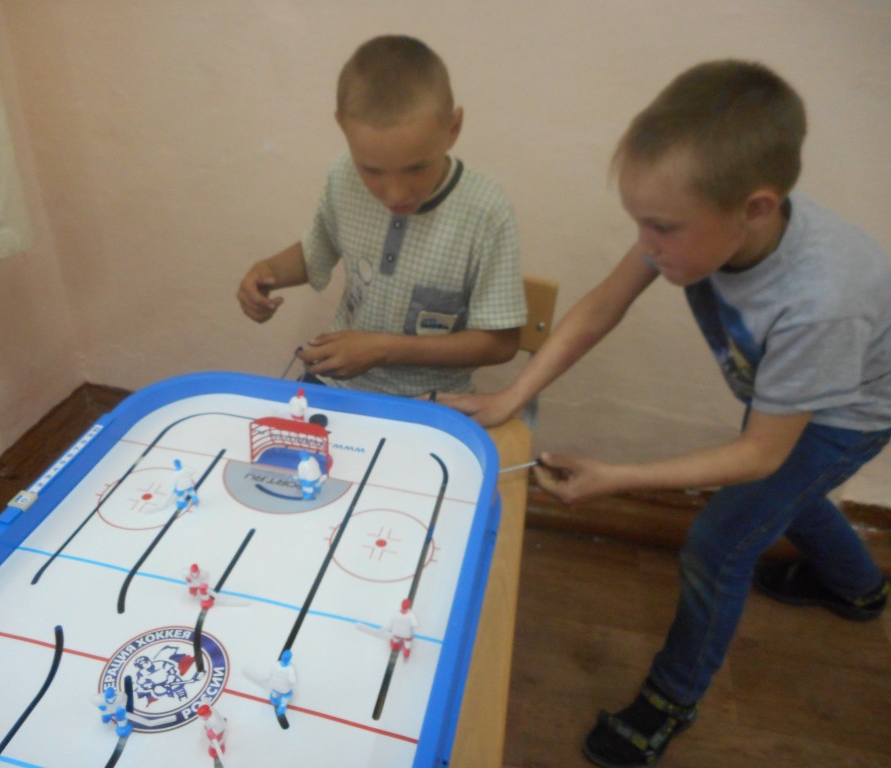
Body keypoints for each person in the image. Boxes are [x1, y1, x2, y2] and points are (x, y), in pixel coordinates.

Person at [444, 60, 891, 767]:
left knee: (720, 542)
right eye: (640, 224)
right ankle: (860, 590)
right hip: (792, 399)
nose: (646, 247)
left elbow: (762, 454)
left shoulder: (821, 303)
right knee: (787, 497)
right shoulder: (700, 217)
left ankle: (672, 695)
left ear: (756, 209)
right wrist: (511, 396)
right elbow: (602, 307)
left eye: (662, 229)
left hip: (851, 414)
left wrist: (616, 478)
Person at [236, 35, 526, 397]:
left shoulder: (486, 210)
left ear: (453, 129)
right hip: (339, 383)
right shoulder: (343, 175)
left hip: (432, 399)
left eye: (416, 168)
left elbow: (501, 343)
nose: (396, 194)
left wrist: (384, 349)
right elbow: (316, 251)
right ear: (342, 127)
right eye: (372, 171)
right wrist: (268, 272)